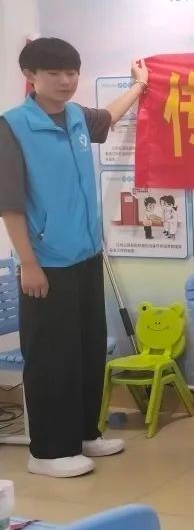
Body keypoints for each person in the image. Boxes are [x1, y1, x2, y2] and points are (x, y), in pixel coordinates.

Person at [0, 38, 147, 477]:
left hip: (85, 255)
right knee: (52, 357)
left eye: (72, 72)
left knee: (86, 350)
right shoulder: (12, 127)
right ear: (30, 76)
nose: (66, 81)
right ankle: (48, 452)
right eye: (54, 74)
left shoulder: (78, 117)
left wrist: (139, 86)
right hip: (46, 263)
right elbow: (9, 204)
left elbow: (109, 117)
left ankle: (84, 435)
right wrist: (28, 264)